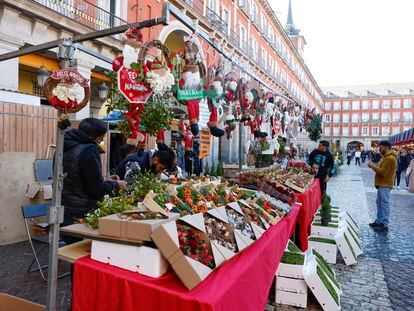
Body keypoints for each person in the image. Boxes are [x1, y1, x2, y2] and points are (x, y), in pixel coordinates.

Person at [62, 118, 127, 228]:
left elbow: (76, 179)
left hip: (64, 210)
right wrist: (116, 184)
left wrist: (104, 179)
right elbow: (96, 189)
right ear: (99, 137)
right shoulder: (89, 150)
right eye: (101, 139)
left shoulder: (64, 146)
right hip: (81, 213)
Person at [367, 140, 397, 233]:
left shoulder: (390, 158)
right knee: (379, 203)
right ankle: (379, 221)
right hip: (382, 184)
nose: (379, 149)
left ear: (386, 148)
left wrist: (373, 166)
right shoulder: (385, 157)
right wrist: (374, 165)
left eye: (381, 148)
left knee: (384, 204)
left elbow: (383, 172)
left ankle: (384, 224)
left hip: (385, 183)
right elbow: (381, 169)